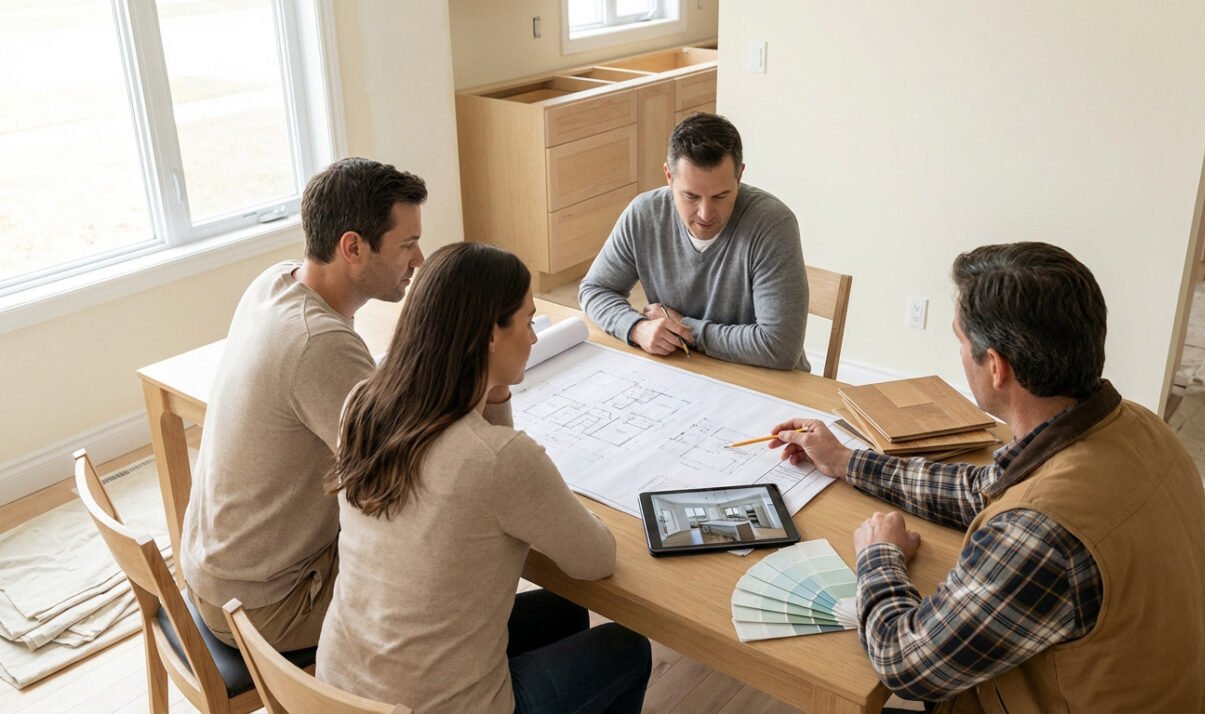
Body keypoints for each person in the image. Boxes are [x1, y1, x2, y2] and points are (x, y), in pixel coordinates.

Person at [770, 242, 1205, 713]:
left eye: (960, 340)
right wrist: (847, 460)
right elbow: (988, 488)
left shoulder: (1041, 531)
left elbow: (903, 661)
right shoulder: (1137, 426)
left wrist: (879, 555)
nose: (959, 353)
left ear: (995, 366)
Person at [316, 242, 652, 713]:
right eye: (528, 321)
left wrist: (492, 389)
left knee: (566, 610)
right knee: (627, 648)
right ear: (491, 334)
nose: (533, 338)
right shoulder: (499, 460)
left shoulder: (361, 405)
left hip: (339, 692)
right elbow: (596, 559)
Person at [182, 157, 428, 651]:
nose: (419, 259)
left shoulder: (275, 282)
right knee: (443, 572)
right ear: (353, 247)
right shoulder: (318, 343)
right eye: (407, 244)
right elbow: (407, 477)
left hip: (215, 571)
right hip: (267, 604)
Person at [578, 112, 810, 371]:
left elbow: (780, 347)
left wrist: (685, 329)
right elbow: (595, 289)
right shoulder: (644, 214)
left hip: (765, 380)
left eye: (720, 196)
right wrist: (636, 328)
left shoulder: (773, 224)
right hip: (684, 371)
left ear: (739, 176)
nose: (705, 214)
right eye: (691, 196)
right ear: (668, 176)